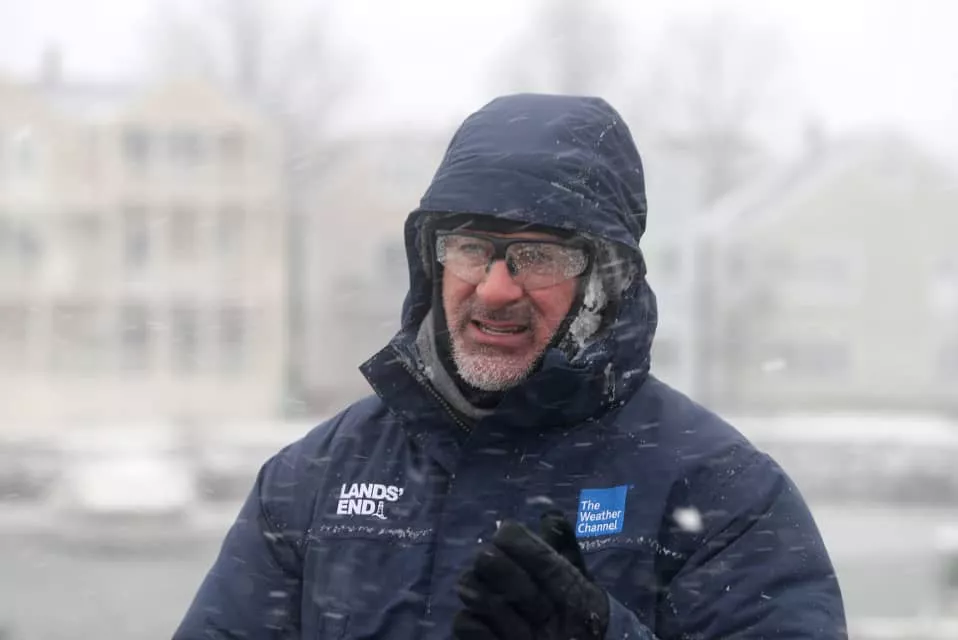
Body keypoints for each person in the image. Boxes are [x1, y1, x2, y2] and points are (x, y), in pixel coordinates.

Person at [174, 93, 847, 639]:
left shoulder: (722, 493)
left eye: (539, 256)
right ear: (433, 260)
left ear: (605, 281)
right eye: (471, 248)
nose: (496, 288)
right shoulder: (314, 481)